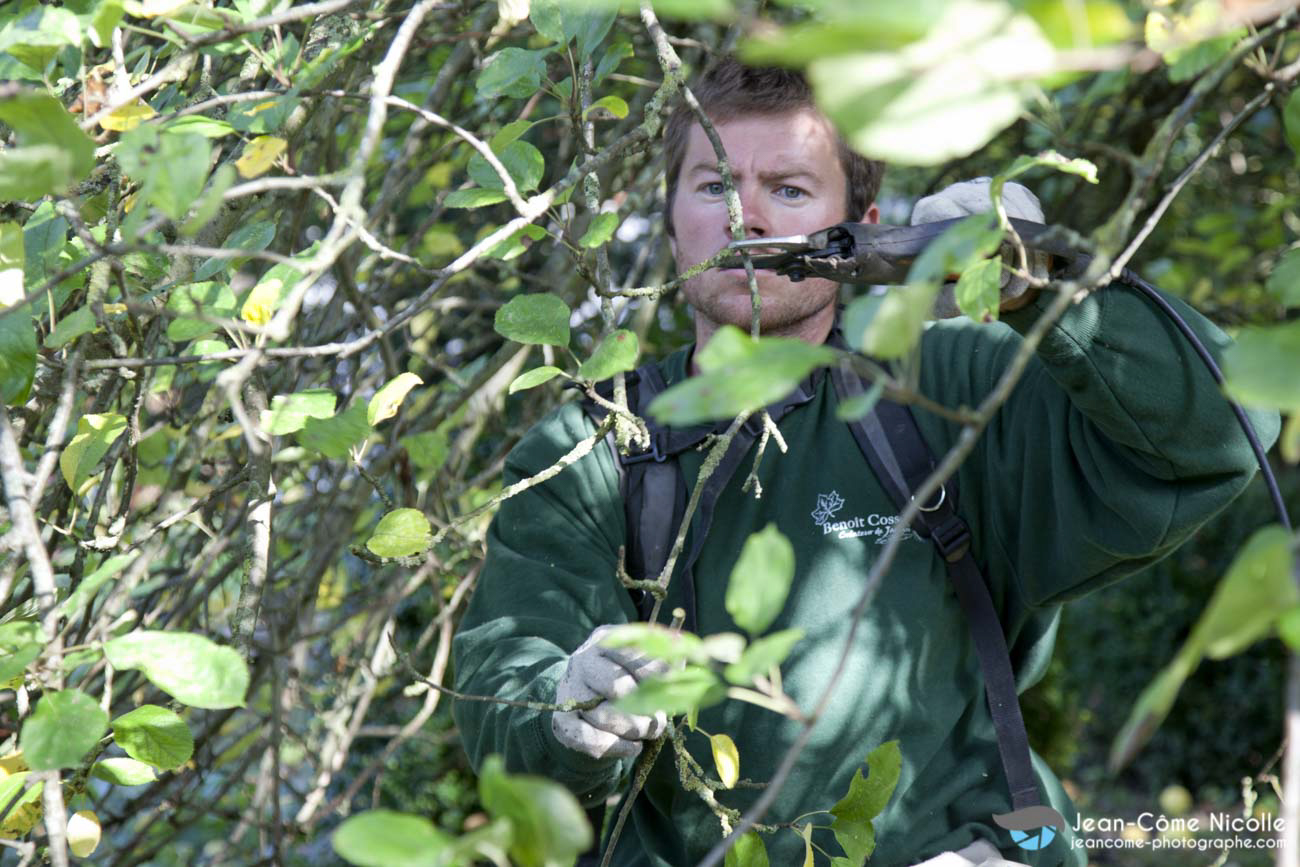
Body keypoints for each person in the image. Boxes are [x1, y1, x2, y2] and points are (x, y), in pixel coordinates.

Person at [451, 57, 1279, 866]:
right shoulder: (592, 447)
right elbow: (505, 682)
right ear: (669, 220)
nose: (748, 221)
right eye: (714, 186)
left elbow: (1226, 429)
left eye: (789, 190)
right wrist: (563, 707)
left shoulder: (950, 385)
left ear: (865, 226)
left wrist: (1053, 290)